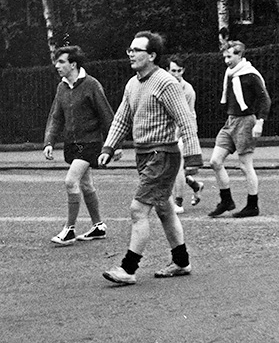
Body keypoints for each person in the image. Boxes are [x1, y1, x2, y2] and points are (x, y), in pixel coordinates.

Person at [98, 31, 203, 285]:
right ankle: (181, 261)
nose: (131, 54)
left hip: (163, 154)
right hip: (144, 154)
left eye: (137, 50)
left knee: (138, 209)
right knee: (165, 208)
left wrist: (193, 157)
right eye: (130, 50)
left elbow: (185, 120)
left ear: (152, 55)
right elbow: (122, 118)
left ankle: (128, 269)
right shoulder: (132, 84)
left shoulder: (166, 82)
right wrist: (108, 148)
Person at [44, 45, 119, 246]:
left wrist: (115, 144)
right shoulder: (62, 87)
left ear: (73, 64)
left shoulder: (91, 85)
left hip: (90, 143)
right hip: (72, 144)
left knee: (71, 181)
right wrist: (49, 142)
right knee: (86, 184)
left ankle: (69, 229)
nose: (57, 65)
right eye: (56, 61)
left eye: (61, 62)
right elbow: (56, 116)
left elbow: (106, 114)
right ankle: (98, 226)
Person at [207, 40, 271, 218]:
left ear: (240, 55)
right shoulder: (230, 74)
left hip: (246, 122)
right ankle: (227, 200)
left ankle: (252, 205)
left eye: (230, 56)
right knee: (215, 161)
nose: (226, 60)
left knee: (245, 165)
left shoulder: (250, 75)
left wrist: (260, 122)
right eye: (224, 57)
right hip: (231, 121)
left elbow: (265, 99)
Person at [167, 55, 205, 213]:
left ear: (183, 71)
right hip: (171, 130)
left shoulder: (188, 90)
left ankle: (178, 203)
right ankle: (195, 185)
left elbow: (186, 118)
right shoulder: (166, 86)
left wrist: (176, 136)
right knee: (172, 168)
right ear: (167, 70)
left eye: (179, 71)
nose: (176, 74)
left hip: (185, 131)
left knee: (177, 169)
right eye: (173, 70)